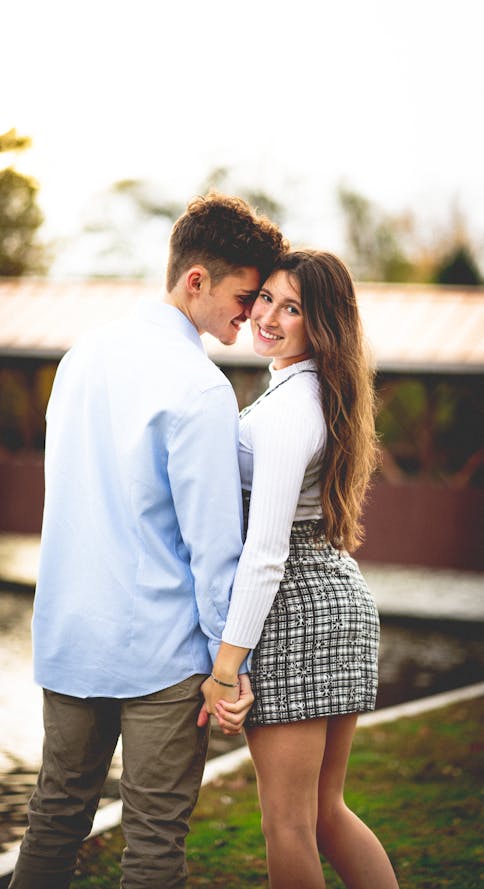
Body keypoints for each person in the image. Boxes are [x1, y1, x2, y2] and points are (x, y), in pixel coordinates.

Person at [8, 193, 287, 889]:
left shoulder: (80, 357)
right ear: (196, 280)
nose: (251, 313)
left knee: (54, 816)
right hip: (163, 655)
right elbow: (214, 546)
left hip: (70, 636)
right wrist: (230, 666)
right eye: (244, 295)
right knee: (156, 839)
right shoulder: (199, 386)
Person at [202, 250, 399, 889]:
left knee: (288, 822)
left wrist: (227, 667)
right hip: (334, 595)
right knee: (323, 811)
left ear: (321, 326)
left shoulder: (289, 409)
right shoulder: (310, 390)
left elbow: (266, 550)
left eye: (293, 309)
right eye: (267, 299)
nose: (269, 316)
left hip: (297, 612)